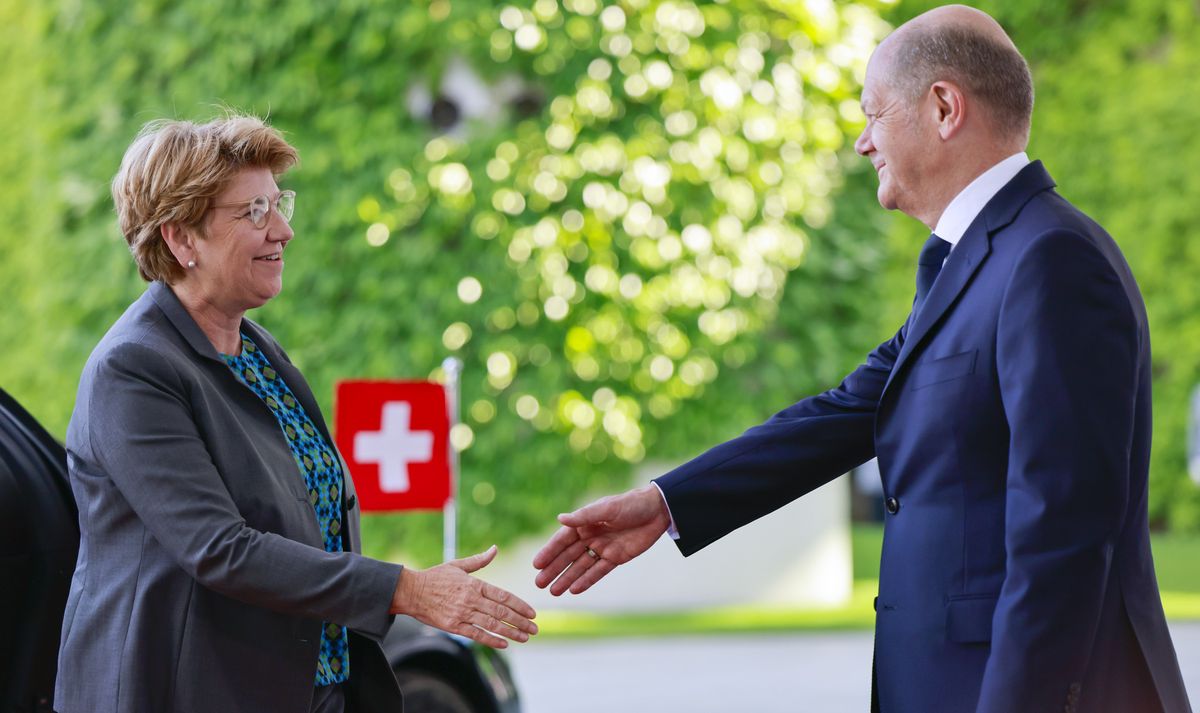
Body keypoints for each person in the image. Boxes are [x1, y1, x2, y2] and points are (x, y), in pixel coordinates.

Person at [533, 6, 1192, 712]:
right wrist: (667, 505)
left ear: (943, 107)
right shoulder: (970, 262)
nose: (860, 142)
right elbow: (845, 412)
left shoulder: (1051, 260)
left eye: (873, 114)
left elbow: (1061, 535)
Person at [56, 115, 538, 713]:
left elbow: (309, 515)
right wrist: (405, 589)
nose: (282, 229)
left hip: (308, 685)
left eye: (278, 202)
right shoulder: (133, 369)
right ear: (182, 239)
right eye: (253, 212)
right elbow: (221, 548)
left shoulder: (256, 350)